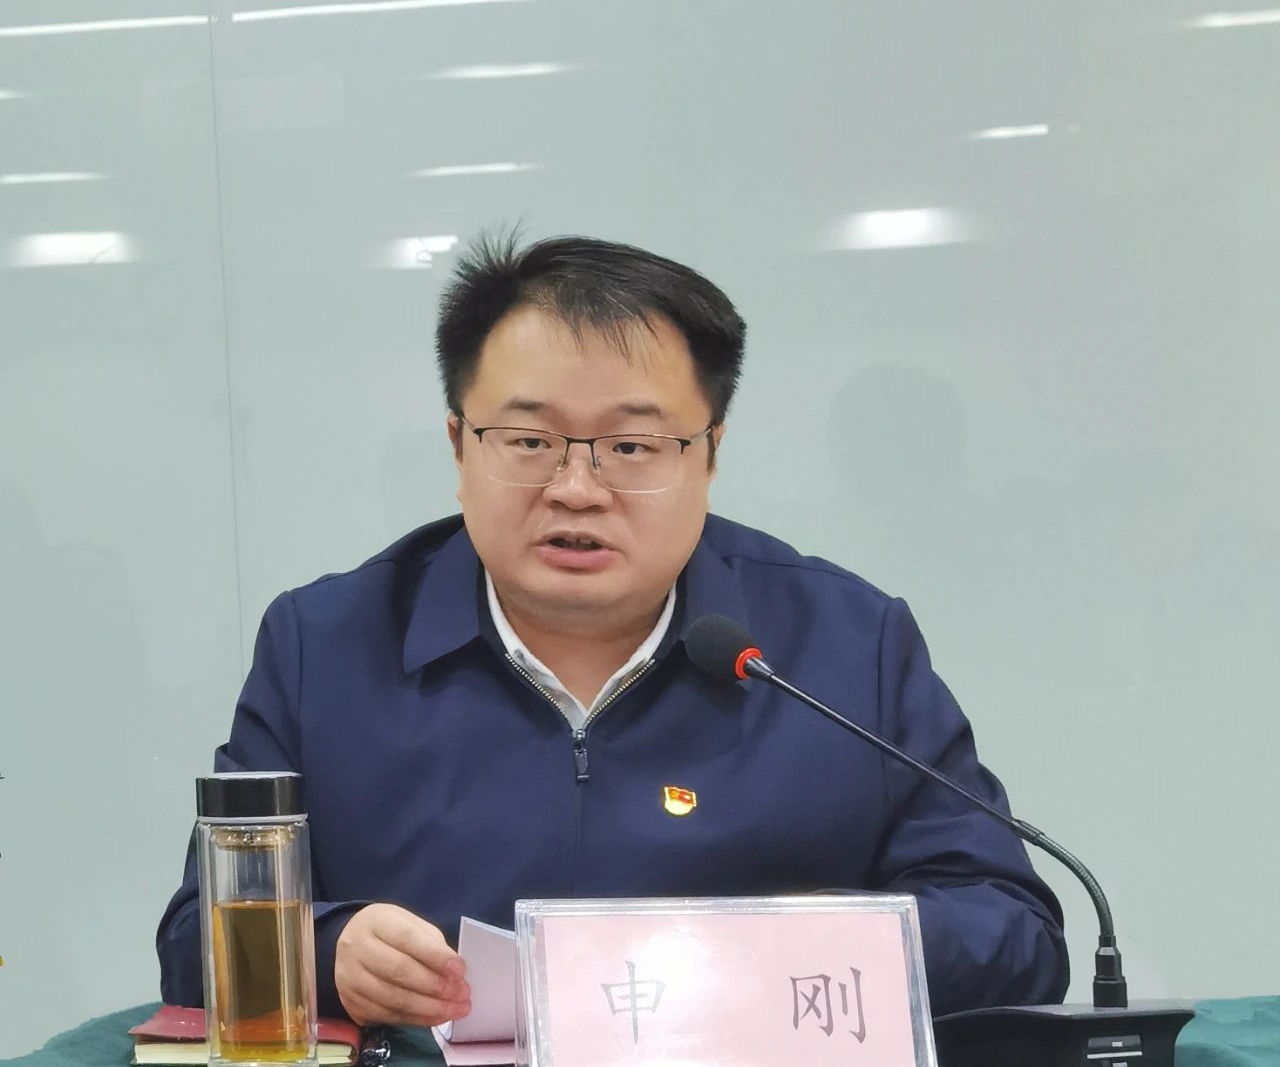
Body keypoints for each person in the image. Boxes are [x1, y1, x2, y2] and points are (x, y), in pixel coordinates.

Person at [157, 234, 1069, 1028]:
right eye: (530, 441)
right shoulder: (324, 646)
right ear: (459, 445)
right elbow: (195, 936)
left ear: (709, 454)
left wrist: (776, 954)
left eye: (631, 447)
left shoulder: (845, 644)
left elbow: (1016, 932)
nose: (577, 489)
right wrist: (329, 951)